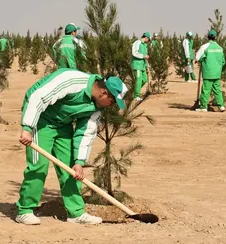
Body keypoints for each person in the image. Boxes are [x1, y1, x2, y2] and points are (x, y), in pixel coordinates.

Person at [15, 68, 128, 225]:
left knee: (71, 170)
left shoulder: (96, 108)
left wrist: (79, 162)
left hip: (63, 125)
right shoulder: (71, 80)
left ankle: (76, 213)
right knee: (39, 165)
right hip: (41, 121)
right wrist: (27, 127)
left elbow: (85, 133)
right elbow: (37, 97)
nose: (111, 105)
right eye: (113, 101)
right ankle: (25, 210)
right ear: (103, 92)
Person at [195, 30, 225, 112]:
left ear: (208, 37)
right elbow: (223, 61)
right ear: (216, 37)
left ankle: (203, 107)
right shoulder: (220, 48)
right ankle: (221, 106)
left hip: (208, 72)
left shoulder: (204, 47)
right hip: (217, 73)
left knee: (206, 90)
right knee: (217, 90)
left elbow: (197, 57)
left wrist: (201, 60)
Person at [131, 32, 150, 101]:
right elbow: (134, 53)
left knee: (144, 79)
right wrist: (143, 56)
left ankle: (134, 91)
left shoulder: (145, 46)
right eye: (148, 39)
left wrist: (147, 67)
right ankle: (136, 96)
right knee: (138, 80)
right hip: (137, 65)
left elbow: (146, 57)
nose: (148, 41)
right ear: (146, 38)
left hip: (142, 66)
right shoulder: (137, 43)